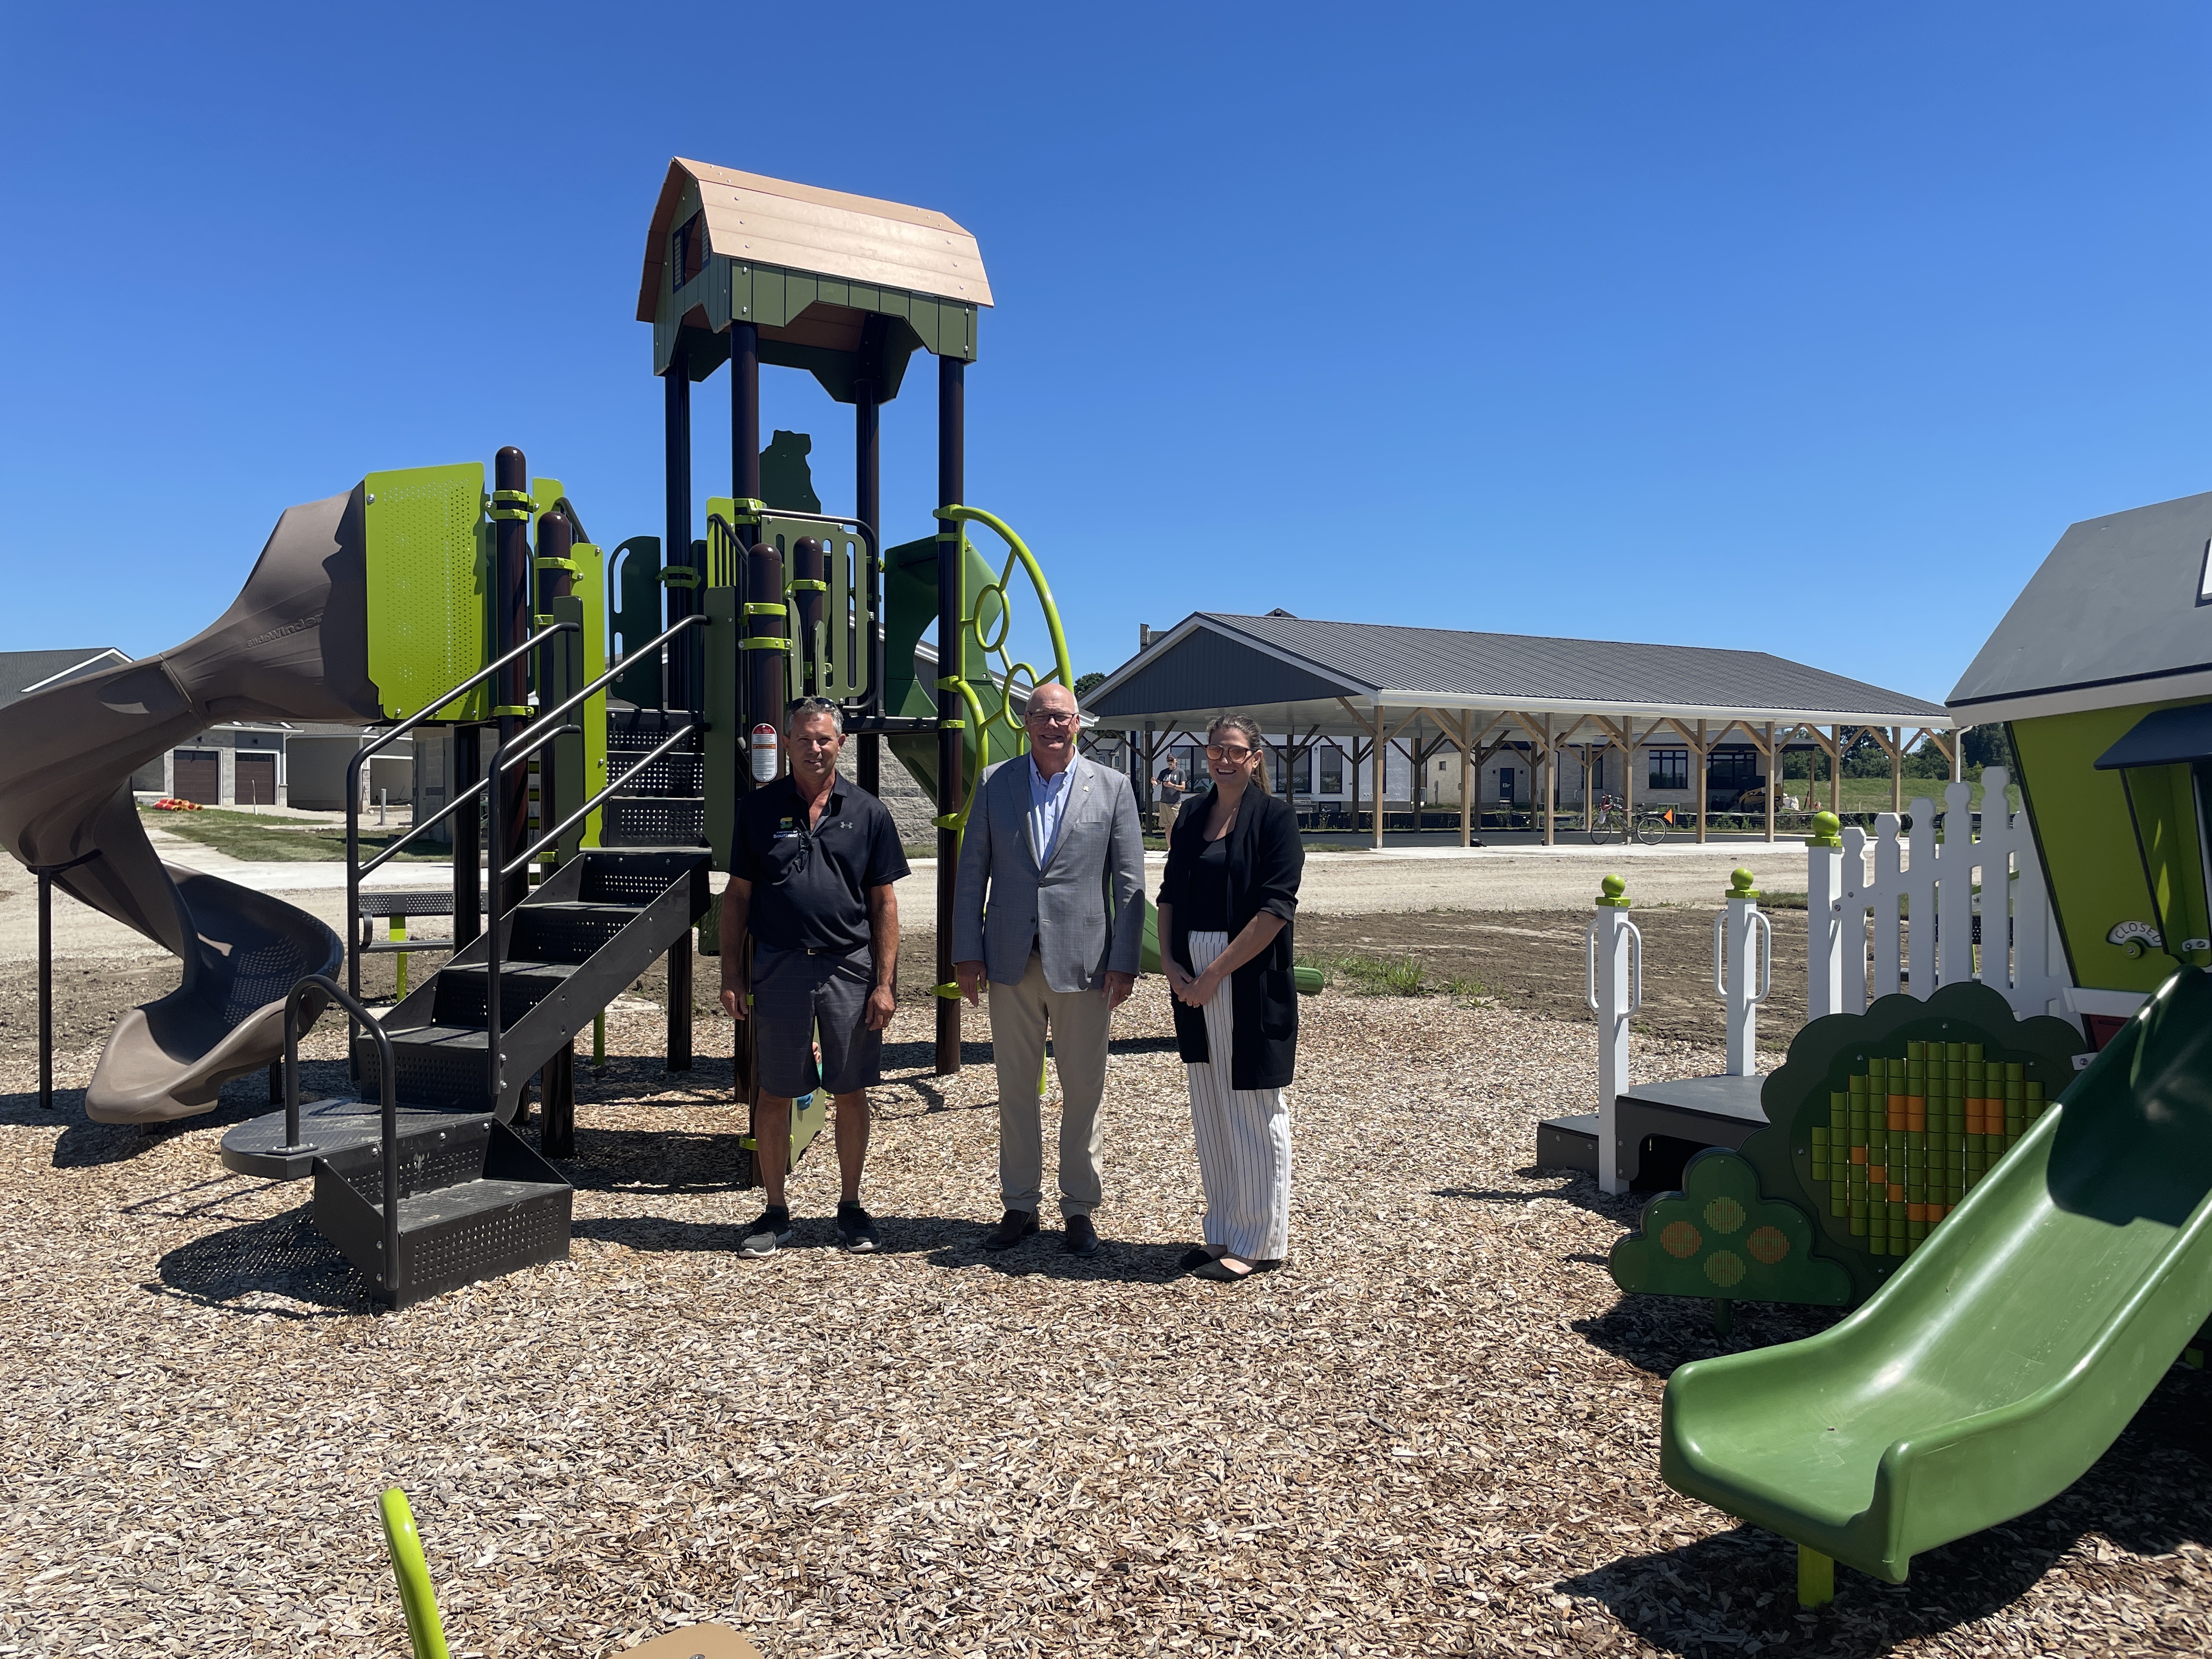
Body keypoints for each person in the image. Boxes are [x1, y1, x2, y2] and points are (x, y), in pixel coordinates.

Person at [952, 682, 1146, 1256]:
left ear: (1078, 724)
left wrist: (1126, 962)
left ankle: (1080, 1209)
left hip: (1086, 965)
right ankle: (1019, 1204)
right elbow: (972, 874)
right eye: (1040, 715)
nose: (1051, 725)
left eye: (1061, 716)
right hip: (1010, 960)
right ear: (1026, 722)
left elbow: (1130, 884)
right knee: (1015, 1088)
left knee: (1084, 1088)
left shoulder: (1112, 787)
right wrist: (967, 953)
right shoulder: (995, 783)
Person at [719, 697, 908, 1258]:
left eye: (824, 738)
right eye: (803, 738)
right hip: (778, 967)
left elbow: (885, 904)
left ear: (841, 743)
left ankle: (850, 1207)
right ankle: (775, 1210)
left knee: (850, 1091)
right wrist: (732, 973)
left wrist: (885, 982)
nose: (814, 748)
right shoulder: (757, 811)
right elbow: (737, 899)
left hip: (849, 966)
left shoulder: (869, 813)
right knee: (775, 1091)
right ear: (788, 744)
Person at [1156, 714, 1304, 1281]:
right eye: (1216, 749)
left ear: (1256, 757)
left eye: (1235, 750)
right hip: (1190, 972)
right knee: (1210, 1105)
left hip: (1244, 973)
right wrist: (1171, 963)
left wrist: (1214, 972)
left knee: (1253, 1107)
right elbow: (1170, 893)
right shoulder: (1193, 813)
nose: (1224, 759)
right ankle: (1222, 1232)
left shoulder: (1276, 819)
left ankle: (1261, 1240)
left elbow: (1275, 910)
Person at [1155, 755, 1189, 839]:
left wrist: (1173, 786)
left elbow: (1183, 787)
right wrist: (1153, 782)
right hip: (1164, 803)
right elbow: (1157, 783)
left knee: (1177, 827)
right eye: (1168, 760)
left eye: (1172, 760)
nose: (1170, 762)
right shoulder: (1164, 772)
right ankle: (1169, 848)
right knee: (1167, 828)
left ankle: (1178, 847)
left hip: (1175, 804)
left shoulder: (1180, 772)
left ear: (1176, 760)